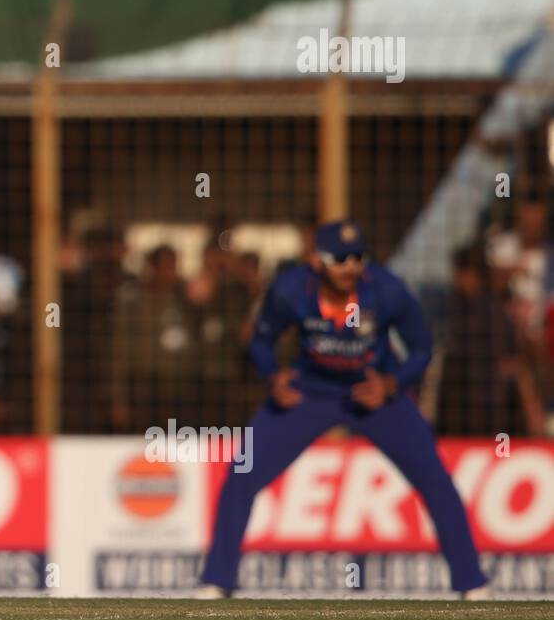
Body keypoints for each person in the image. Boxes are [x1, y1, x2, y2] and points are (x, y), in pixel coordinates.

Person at [198, 220, 488, 599]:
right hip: (309, 393)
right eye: (339, 259)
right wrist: (273, 377)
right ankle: (218, 581)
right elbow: (261, 339)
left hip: (373, 394)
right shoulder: (290, 290)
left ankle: (472, 584)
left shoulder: (386, 290)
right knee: (242, 473)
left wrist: (391, 384)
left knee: (435, 480)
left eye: (358, 258)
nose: (350, 267)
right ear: (317, 261)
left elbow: (421, 348)